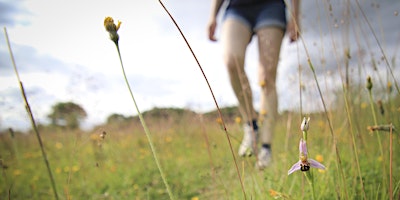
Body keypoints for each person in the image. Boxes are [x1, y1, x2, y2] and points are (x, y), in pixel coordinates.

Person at [207, 0, 300, 169]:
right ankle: (251, 125)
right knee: (231, 61)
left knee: (267, 76)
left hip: (271, 6)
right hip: (236, 8)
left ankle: (265, 147)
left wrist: (295, 15)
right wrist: (213, 15)